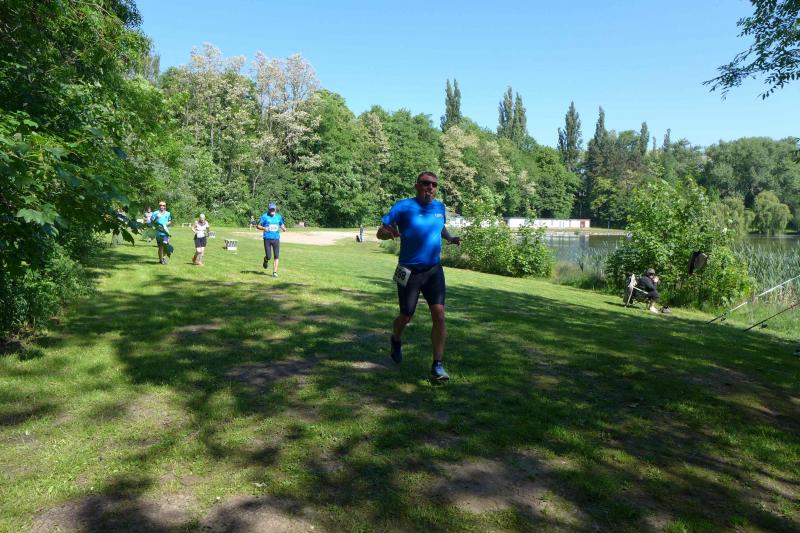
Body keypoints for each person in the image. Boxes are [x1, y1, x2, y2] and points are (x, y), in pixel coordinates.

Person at [377, 171, 461, 381]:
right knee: (406, 315)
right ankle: (396, 339)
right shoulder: (403, 207)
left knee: (439, 316)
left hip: (433, 270)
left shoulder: (439, 207)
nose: (430, 187)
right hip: (407, 270)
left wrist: (450, 237)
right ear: (417, 186)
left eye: (434, 185)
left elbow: (440, 226)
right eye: (425, 183)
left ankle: (437, 365)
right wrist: (389, 233)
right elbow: (381, 232)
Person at [257, 202, 286, 278]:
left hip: (276, 238)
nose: (272, 210)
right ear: (268, 209)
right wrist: (264, 228)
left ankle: (274, 272)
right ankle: (265, 260)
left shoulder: (278, 217)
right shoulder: (264, 216)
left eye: (273, 209)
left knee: (276, 256)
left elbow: (281, 224)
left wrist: (283, 228)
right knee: (269, 256)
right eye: (271, 209)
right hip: (267, 239)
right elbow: (258, 226)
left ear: (275, 209)